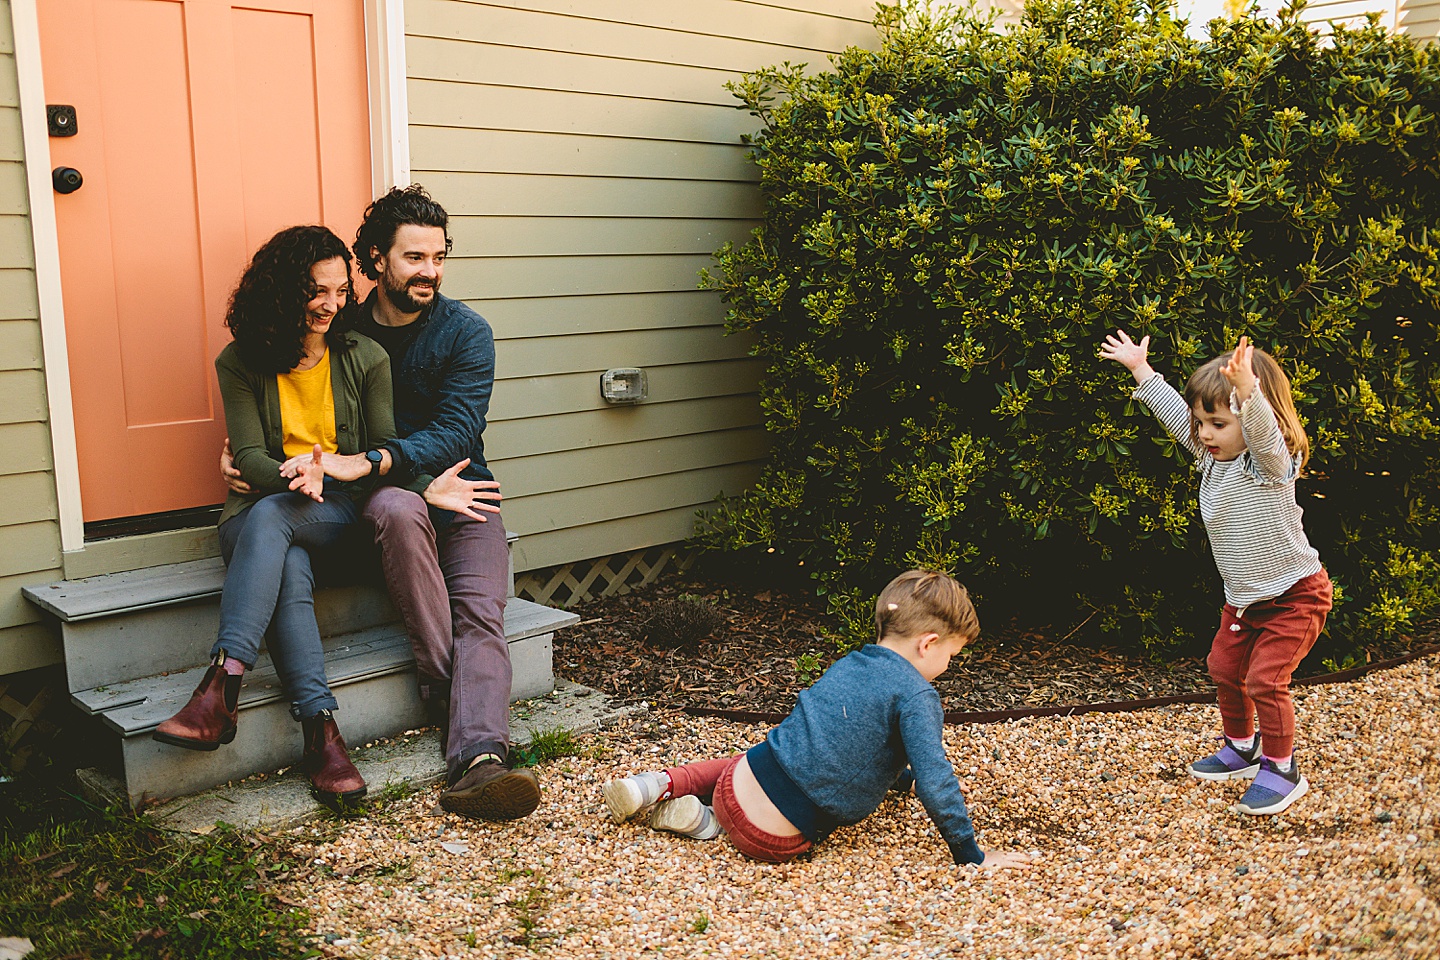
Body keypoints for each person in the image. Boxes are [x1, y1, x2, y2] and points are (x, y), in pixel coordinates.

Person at [223, 186, 536, 821]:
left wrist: (373, 463)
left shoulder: (466, 332)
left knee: (481, 608)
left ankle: (479, 759)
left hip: (461, 487)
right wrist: (245, 459)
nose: (430, 271)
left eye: (439, 257)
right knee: (395, 508)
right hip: (386, 502)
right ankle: (453, 696)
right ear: (376, 258)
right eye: (414, 256)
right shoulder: (343, 331)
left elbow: (457, 429)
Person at [156, 225, 394, 806]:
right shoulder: (240, 361)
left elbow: (385, 448)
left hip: (337, 514)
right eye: (318, 291)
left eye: (342, 291)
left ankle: (223, 683)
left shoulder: (366, 357)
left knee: (275, 520)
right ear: (283, 291)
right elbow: (250, 459)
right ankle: (321, 732)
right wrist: (297, 472)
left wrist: (334, 469)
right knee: (279, 545)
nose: (333, 305)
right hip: (260, 513)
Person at [601, 570, 1032, 869]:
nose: (949, 664)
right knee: (773, 815)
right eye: (951, 655)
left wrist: (901, 781)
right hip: (767, 837)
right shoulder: (917, 694)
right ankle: (702, 823)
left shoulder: (854, 662)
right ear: (929, 643)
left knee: (751, 758)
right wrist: (970, 854)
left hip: (737, 782)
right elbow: (936, 780)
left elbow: (845, 743)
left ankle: (656, 785)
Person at [1101, 330, 1332, 816]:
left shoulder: (1269, 465)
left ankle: (1281, 767)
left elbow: (1265, 432)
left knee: (1266, 680)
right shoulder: (1214, 460)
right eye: (1201, 422)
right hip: (1244, 598)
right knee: (1225, 669)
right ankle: (1242, 747)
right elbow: (1171, 414)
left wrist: (1249, 392)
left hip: (1294, 595)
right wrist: (1141, 370)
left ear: (1249, 419)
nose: (1204, 434)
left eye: (1218, 423)